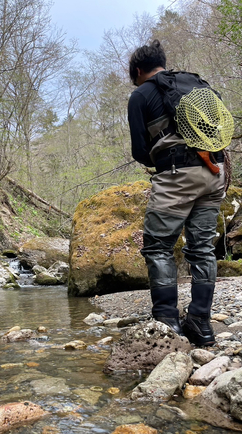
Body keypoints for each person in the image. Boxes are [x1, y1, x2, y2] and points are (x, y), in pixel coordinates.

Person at [127, 40, 226, 347]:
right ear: (164, 63)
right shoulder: (199, 86)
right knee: (202, 249)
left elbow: (140, 151)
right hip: (215, 173)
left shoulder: (141, 94)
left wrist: (164, 164)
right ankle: (201, 324)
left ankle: (167, 322)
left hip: (177, 175)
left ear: (139, 71)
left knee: (158, 247)